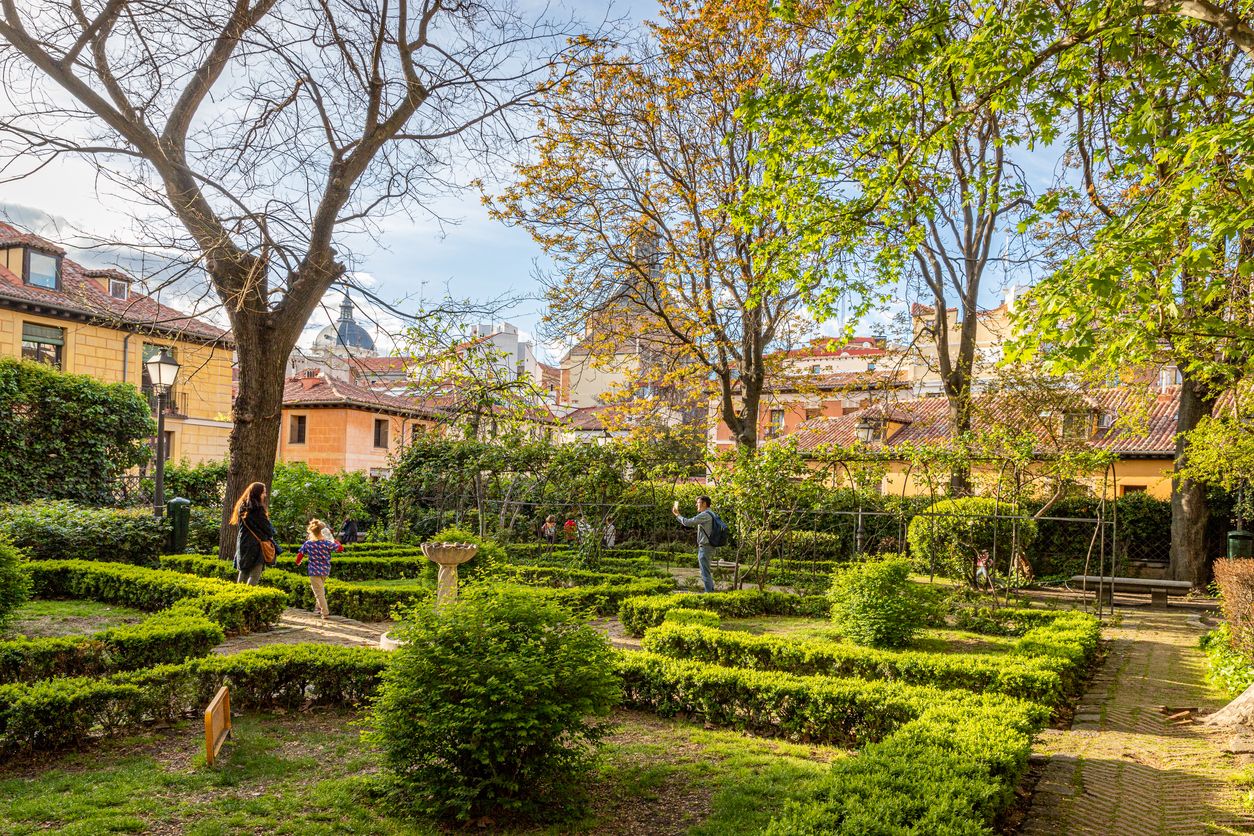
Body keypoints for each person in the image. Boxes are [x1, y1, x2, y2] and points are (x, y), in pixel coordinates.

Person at [232, 481, 277, 586]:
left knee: (244, 571)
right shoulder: (257, 508)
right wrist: (271, 531)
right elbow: (268, 529)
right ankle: (249, 594)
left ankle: (237, 593)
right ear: (257, 493)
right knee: (255, 574)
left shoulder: (242, 507)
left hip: (243, 542)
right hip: (256, 545)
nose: (265, 495)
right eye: (263, 492)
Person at [296, 519, 342, 619]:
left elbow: (300, 554)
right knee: (320, 590)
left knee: (319, 593)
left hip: (313, 571)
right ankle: (317, 609)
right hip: (325, 570)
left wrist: (298, 562)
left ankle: (325, 613)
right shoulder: (326, 543)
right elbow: (340, 549)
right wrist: (335, 541)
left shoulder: (308, 543)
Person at [674, 495, 716, 593]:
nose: (696, 505)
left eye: (698, 503)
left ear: (704, 504)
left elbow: (688, 522)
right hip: (709, 546)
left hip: (705, 547)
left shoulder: (705, 515)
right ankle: (710, 592)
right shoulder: (712, 513)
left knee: (705, 572)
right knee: (706, 571)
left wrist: (677, 515)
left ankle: (709, 594)